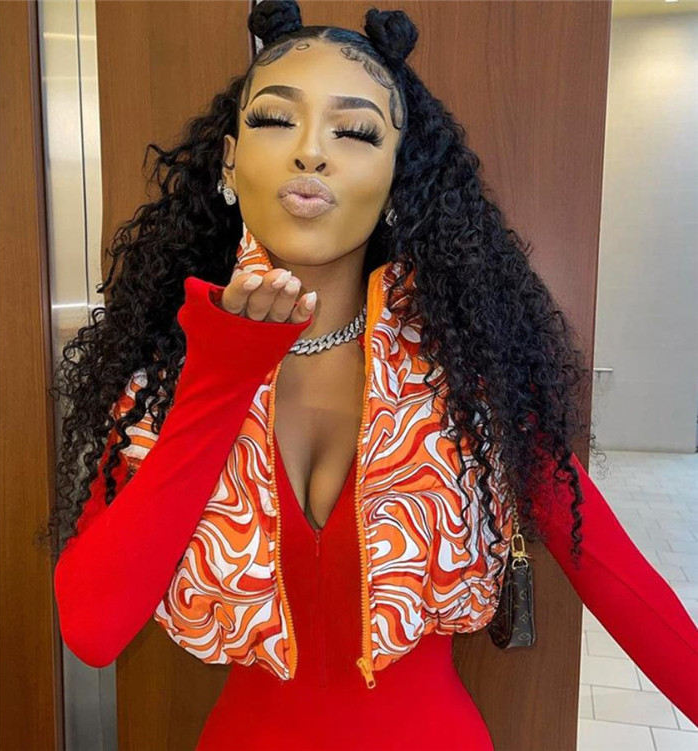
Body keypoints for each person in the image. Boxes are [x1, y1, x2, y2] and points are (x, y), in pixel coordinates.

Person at [38, 2, 698, 749]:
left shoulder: (466, 384)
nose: (310, 152)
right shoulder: (162, 386)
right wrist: (219, 378)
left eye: (354, 131)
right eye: (276, 120)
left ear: (397, 172)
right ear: (228, 160)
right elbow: (92, 629)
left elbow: (620, 578)